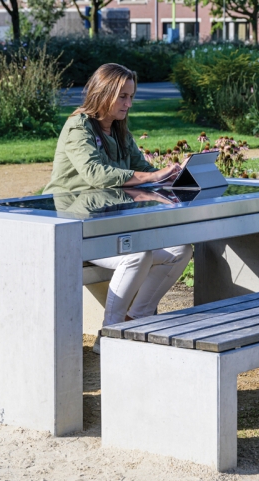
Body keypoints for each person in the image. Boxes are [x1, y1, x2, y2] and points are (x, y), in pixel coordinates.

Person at [45, 63, 192, 354]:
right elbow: (95, 173)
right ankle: (110, 334)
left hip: (106, 227)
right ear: (103, 93)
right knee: (139, 254)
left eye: (131, 97)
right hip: (71, 229)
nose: (128, 103)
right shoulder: (78, 127)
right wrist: (151, 177)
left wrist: (172, 175)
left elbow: (144, 170)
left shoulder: (120, 130)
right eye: (122, 96)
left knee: (180, 250)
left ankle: (135, 320)